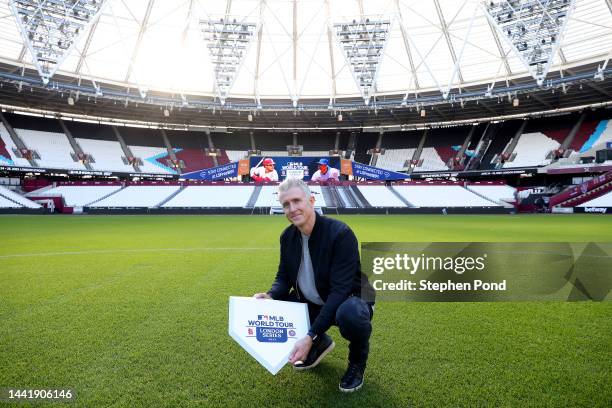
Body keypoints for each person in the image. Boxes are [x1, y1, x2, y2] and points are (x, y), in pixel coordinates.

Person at [253, 178, 375, 392]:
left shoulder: (340, 234)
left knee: (351, 315)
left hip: (349, 299)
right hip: (314, 299)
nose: (292, 209)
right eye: (286, 204)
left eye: (296, 201)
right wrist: (270, 296)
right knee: (277, 304)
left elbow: (339, 291)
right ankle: (321, 343)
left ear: (311, 200)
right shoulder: (287, 237)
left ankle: (356, 364)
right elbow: (284, 277)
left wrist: (309, 334)